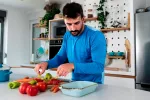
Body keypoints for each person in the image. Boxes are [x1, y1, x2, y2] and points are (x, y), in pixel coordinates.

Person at [34, 2, 106, 84]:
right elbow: (60, 57)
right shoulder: (67, 36)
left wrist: (72, 66)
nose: (73, 28)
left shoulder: (96, 36)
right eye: (69, 24)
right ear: (64, 22)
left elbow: (98, 67)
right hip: (75, 83)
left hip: (93, 85)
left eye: (76, 23)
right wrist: (46, 64)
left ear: (83, 19)